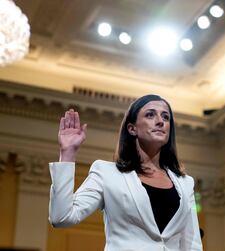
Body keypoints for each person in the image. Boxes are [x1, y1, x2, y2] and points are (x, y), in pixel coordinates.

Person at [48, 94, 203, 251]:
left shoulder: (186, 183)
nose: (160, 121)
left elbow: (192, 243)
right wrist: (67, 153)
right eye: (150, 114)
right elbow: (61, 217)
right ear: (132, 128)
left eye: (166, 117)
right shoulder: (106, 173)